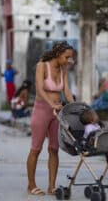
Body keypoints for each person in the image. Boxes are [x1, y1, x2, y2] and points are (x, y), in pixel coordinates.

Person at [26, 41, 74, 196]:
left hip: (57, 112)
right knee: (36, 148)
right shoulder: (42, 65)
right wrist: (51, 104)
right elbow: (39, 89)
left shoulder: (63, 68)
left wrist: (75, 106)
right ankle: (31, 185)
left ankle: (51, 186)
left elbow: (66, 89)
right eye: (67, 57)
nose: (68, 61)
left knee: (54, 148)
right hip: (42, 110)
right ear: (58, 54)